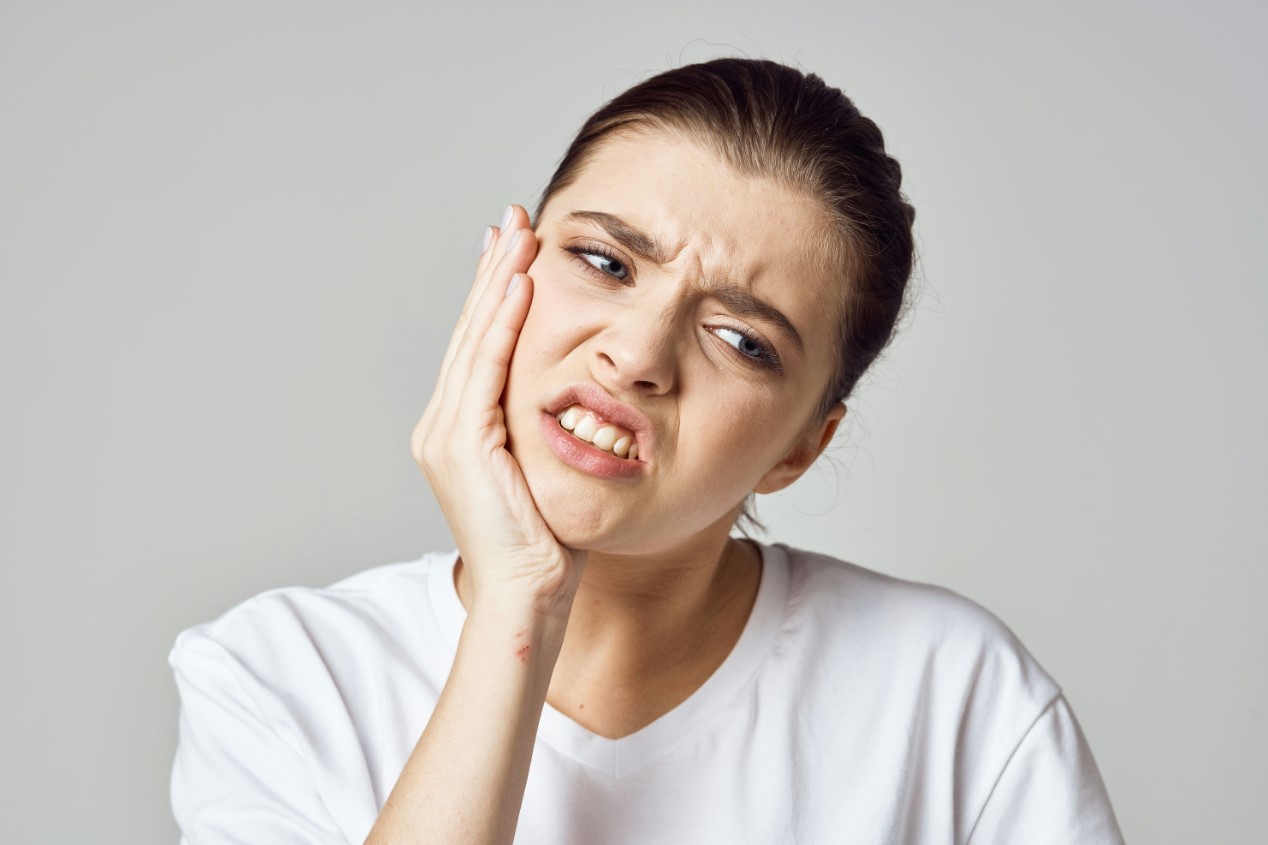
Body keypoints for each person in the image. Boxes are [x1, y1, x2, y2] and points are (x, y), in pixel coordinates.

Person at [168, 58, 1125, 844]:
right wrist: (520, 605)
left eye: (744, 341)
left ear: (801, 447)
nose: (636, 356)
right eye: (604, 262)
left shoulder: (956, 700)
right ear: (508, 265)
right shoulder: (277, 680)